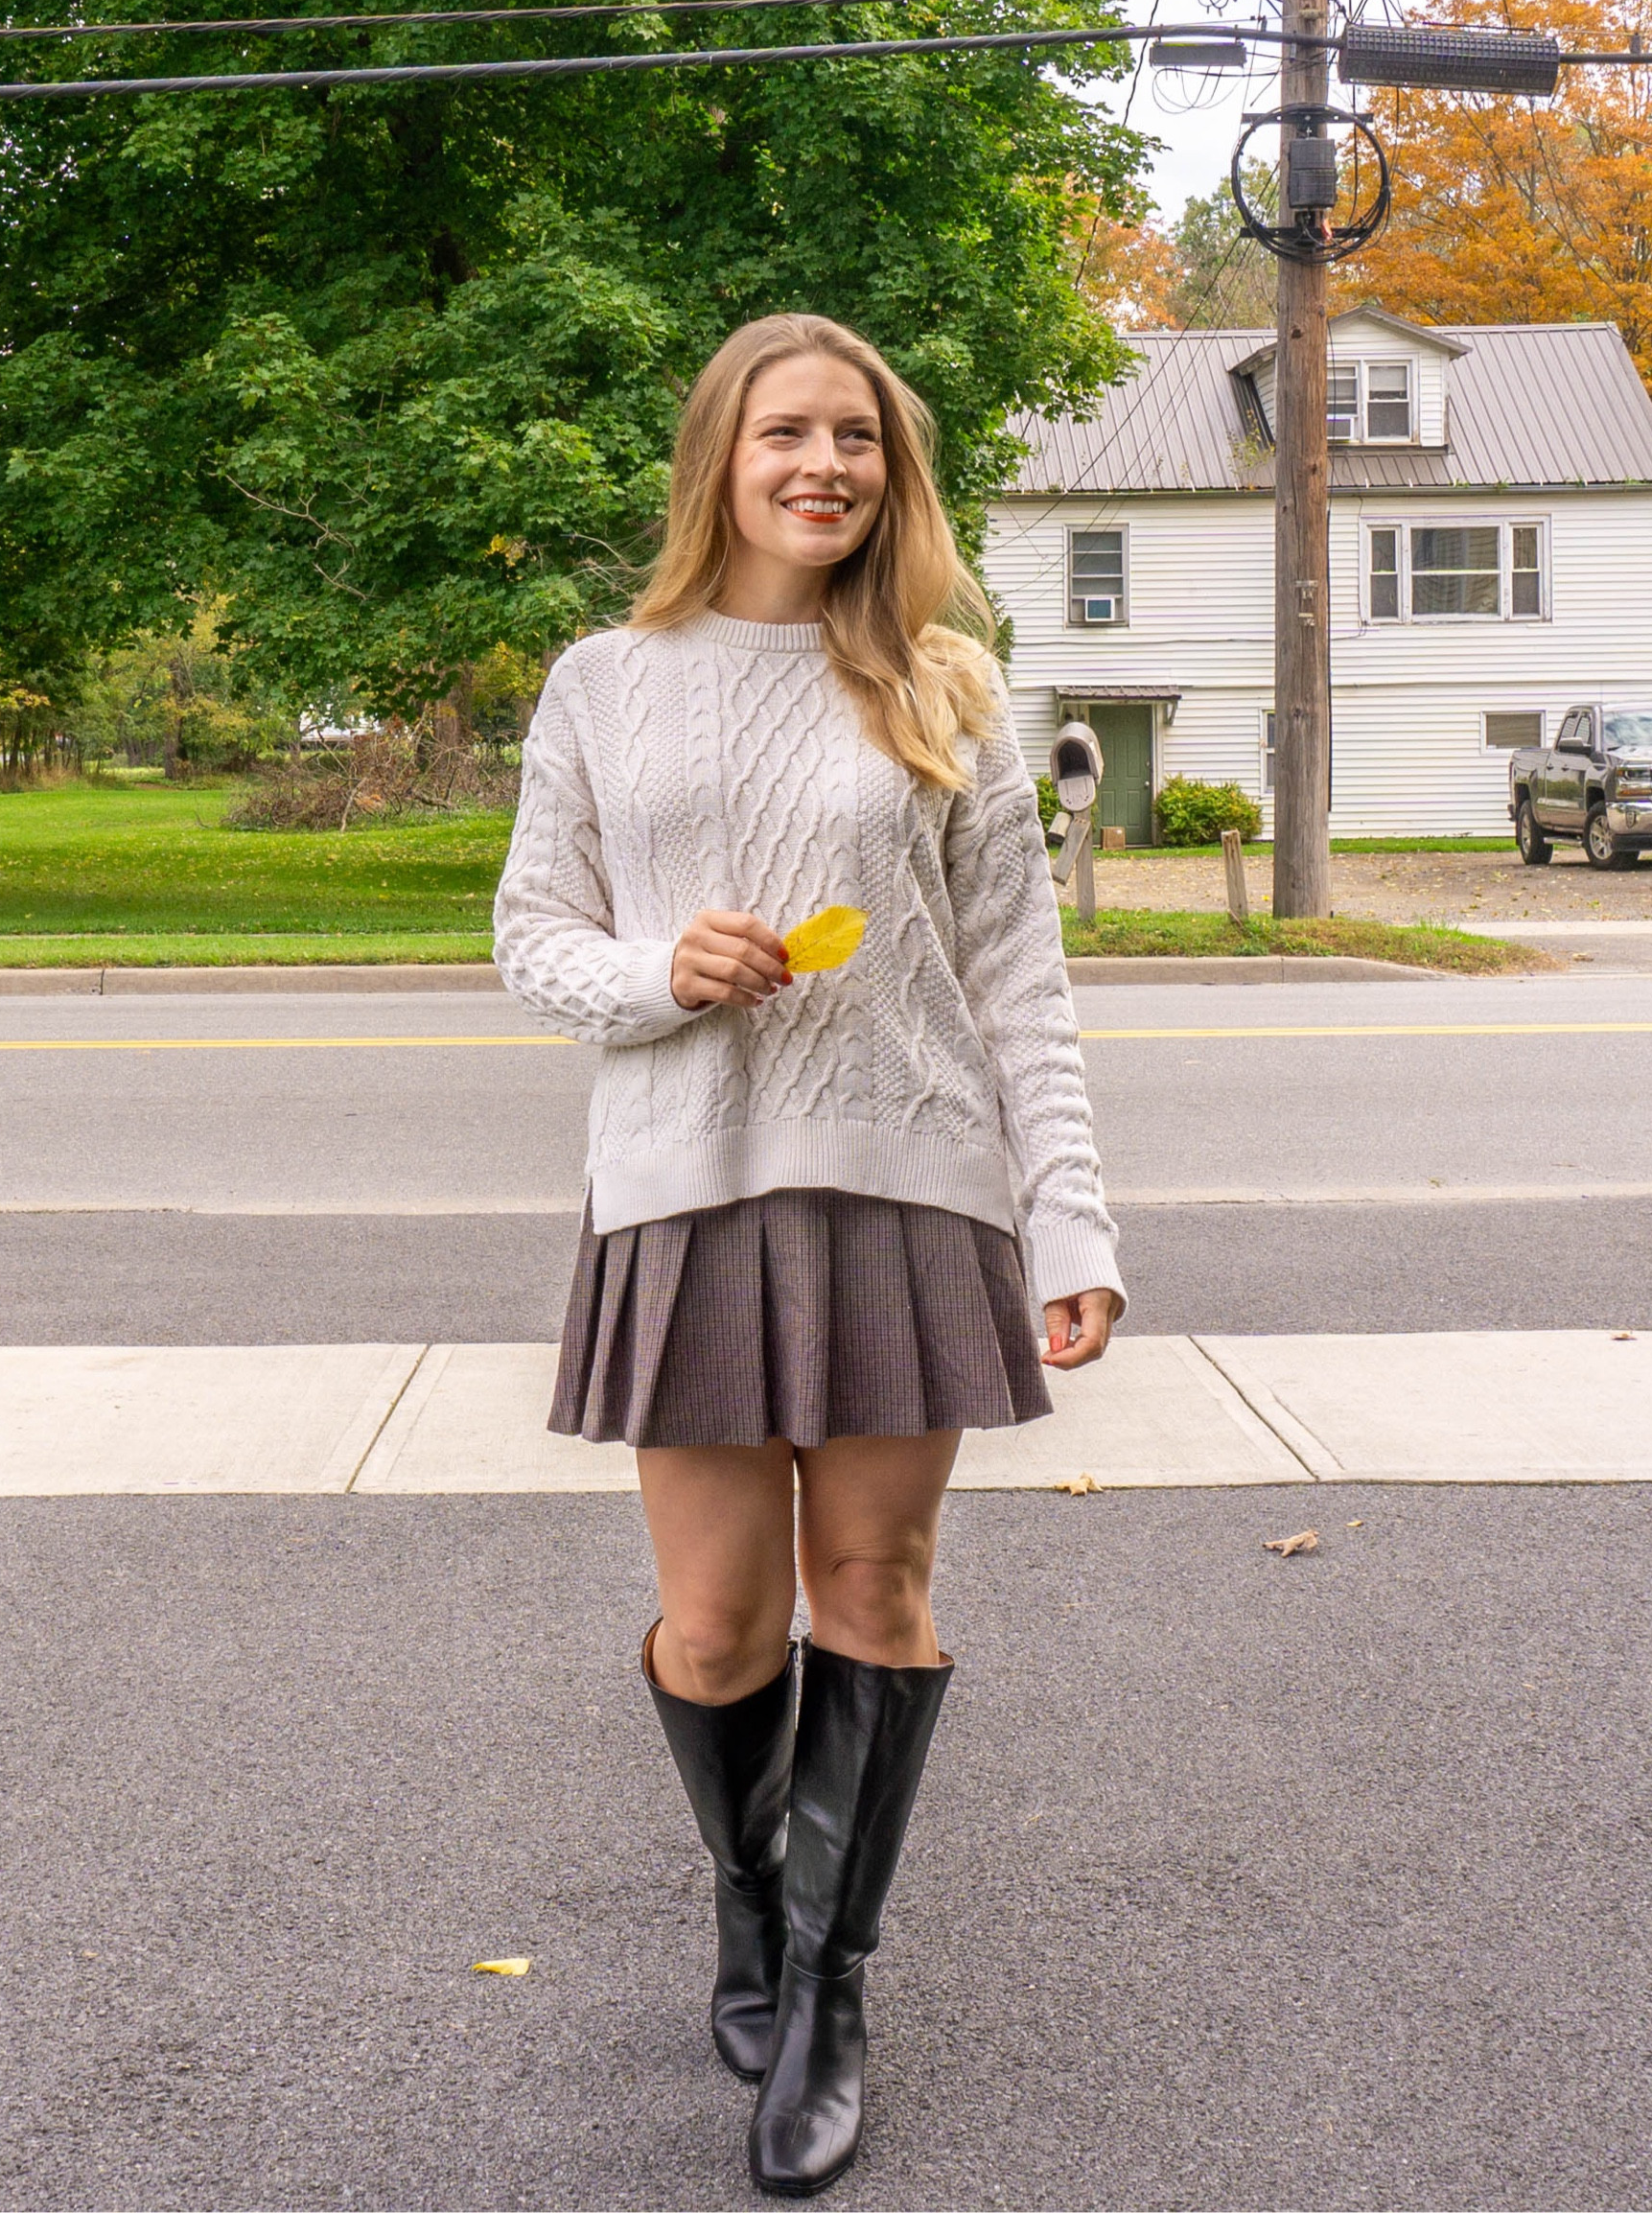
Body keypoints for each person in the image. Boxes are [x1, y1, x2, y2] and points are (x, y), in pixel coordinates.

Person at [494, 313, 1125, 2198]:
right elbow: (534, 930)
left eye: (857, 436)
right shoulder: (606, 678)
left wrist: (1070, 1209)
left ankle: (828, 1982)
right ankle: (753, 1908)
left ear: (892, 470)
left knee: (876, 1580)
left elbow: (1018, 970)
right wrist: (649, 970)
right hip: (679, 1185)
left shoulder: (947, 683)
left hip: (905, 1182)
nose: (824, 463)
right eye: (788, 432)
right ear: (722, 456)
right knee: (713, 1625)